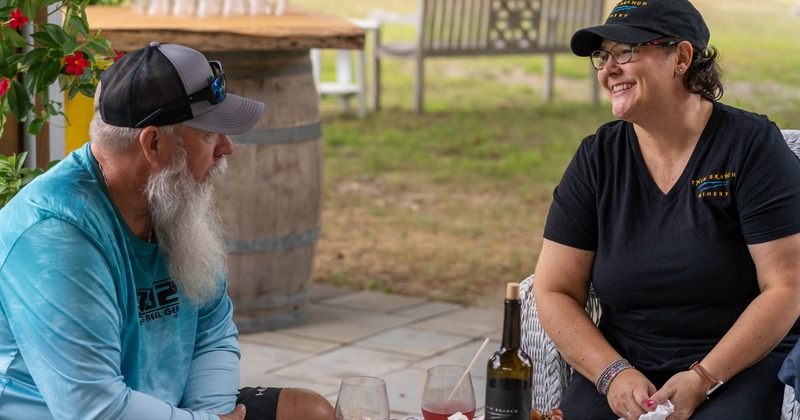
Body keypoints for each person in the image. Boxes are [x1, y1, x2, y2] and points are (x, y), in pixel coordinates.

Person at [0, 42, 334, 420]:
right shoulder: (55, 235)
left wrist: (211, 412)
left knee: (310, 412)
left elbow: (212, 331)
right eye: (209, 134)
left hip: (165, 409)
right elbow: (94, 409)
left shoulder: (170, 199)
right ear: (154, 143)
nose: (227, 147)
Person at [532, 1, 800, 419]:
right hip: (627, 367)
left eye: (627, 51)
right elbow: (553, 288)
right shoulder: (597, 158)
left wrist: (704, 377)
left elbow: (787, 286)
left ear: (682, 57)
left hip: (736, 366)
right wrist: (612, 374)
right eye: (603, 56)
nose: (608, 69)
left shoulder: (751, 147)